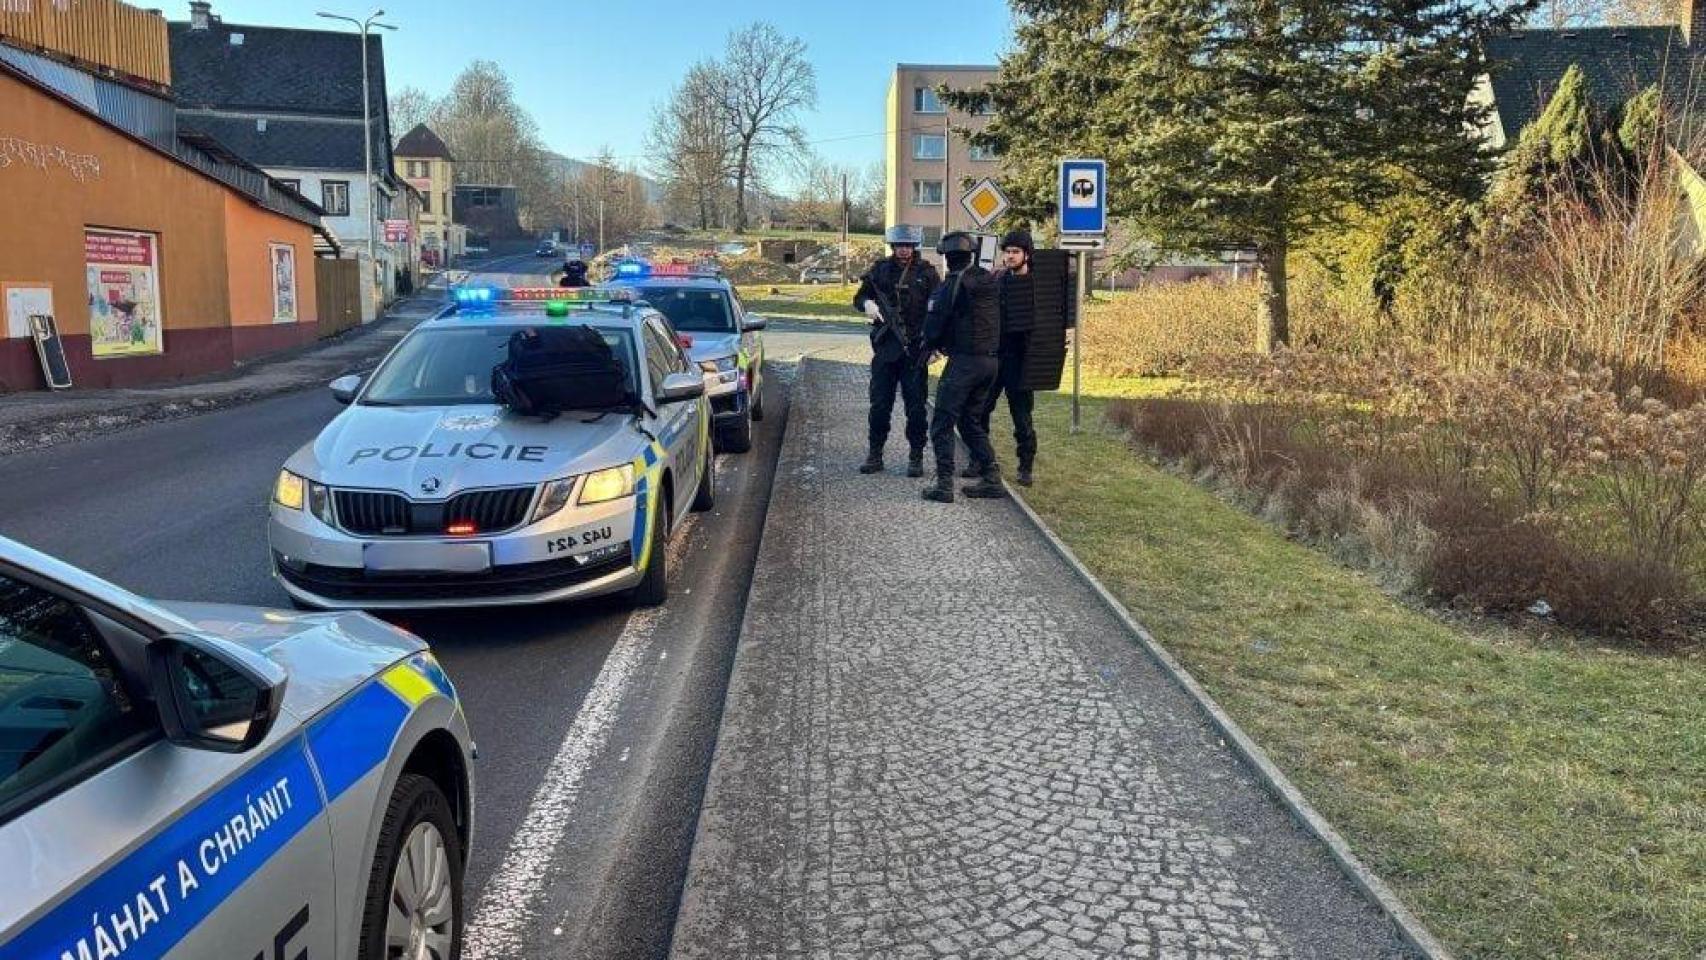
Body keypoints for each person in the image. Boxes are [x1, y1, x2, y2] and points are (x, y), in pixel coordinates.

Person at [920, 231, 1002, 503]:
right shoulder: (988, 281)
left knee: (942, 423)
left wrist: (931, 346)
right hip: (990, 362)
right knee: (969, 421)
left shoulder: (952, 285)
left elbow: (934, 325)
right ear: (970, 255)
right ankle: (992, 478)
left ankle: (944, 485)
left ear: (947, 257)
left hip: (965, 363)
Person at [853, 225, 940, 477]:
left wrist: (935, 345)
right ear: (893, 247)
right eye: (900, 246)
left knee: (916, 408)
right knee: (879, 406)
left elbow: (939, 309)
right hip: (885, 351)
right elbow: (859, 298)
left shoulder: (927, 273)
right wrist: (867, 304)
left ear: (914, 247)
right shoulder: (880, 270)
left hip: (915, 351)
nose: (904, 250)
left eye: (908, 246)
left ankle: (916, 457)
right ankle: (875, 454)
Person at [967, 230, 1040, 486]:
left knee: (1022, 418)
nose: (1010, 256)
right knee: (980, 411)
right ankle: (979, 460)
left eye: (1015, 252)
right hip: (996, 358)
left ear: (1026, 254)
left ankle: (1025, 467)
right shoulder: (996, 279)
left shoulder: (1038, 285)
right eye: (1007, 252)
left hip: (1021, 362)